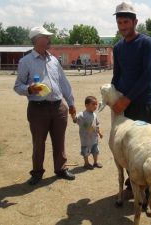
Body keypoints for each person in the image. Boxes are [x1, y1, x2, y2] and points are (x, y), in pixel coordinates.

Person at [111, 2, 151, 206]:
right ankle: (133, 186)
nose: (122, 26)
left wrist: (126, 99)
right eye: (119, 22)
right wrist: (113, 97)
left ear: (135, 22)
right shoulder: (118, 47)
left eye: (126, 21)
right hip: (125, 106)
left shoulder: (146, 43)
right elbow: (117, 75)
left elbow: (148, 75)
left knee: (147, 148)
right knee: (127, 148)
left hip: (142, 104)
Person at [14, 26, 76, 185]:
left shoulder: (54, 60)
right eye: (46, 37)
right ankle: (37, 172)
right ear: (37, 40)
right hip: (37, 109)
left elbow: (64, 83)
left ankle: (61, 168)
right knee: (38, 142)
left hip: (58, 107)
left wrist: (71, 103)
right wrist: (29, 89)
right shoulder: (25, 61)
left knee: (59, 140)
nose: (50, 40)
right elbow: (17, 86)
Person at [72, 96, 103, 170]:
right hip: (85, 139)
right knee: (85, 151)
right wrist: (73, 116)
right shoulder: (82, 114)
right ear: (86, 105)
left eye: (96, 104)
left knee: (95, 151)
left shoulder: (94, 115)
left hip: (94, 138)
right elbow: (76, 120)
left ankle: (95, 162)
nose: (95, 106)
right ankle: (86, 163)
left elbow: (97, 124)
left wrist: (99, 133)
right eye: (93, 104)